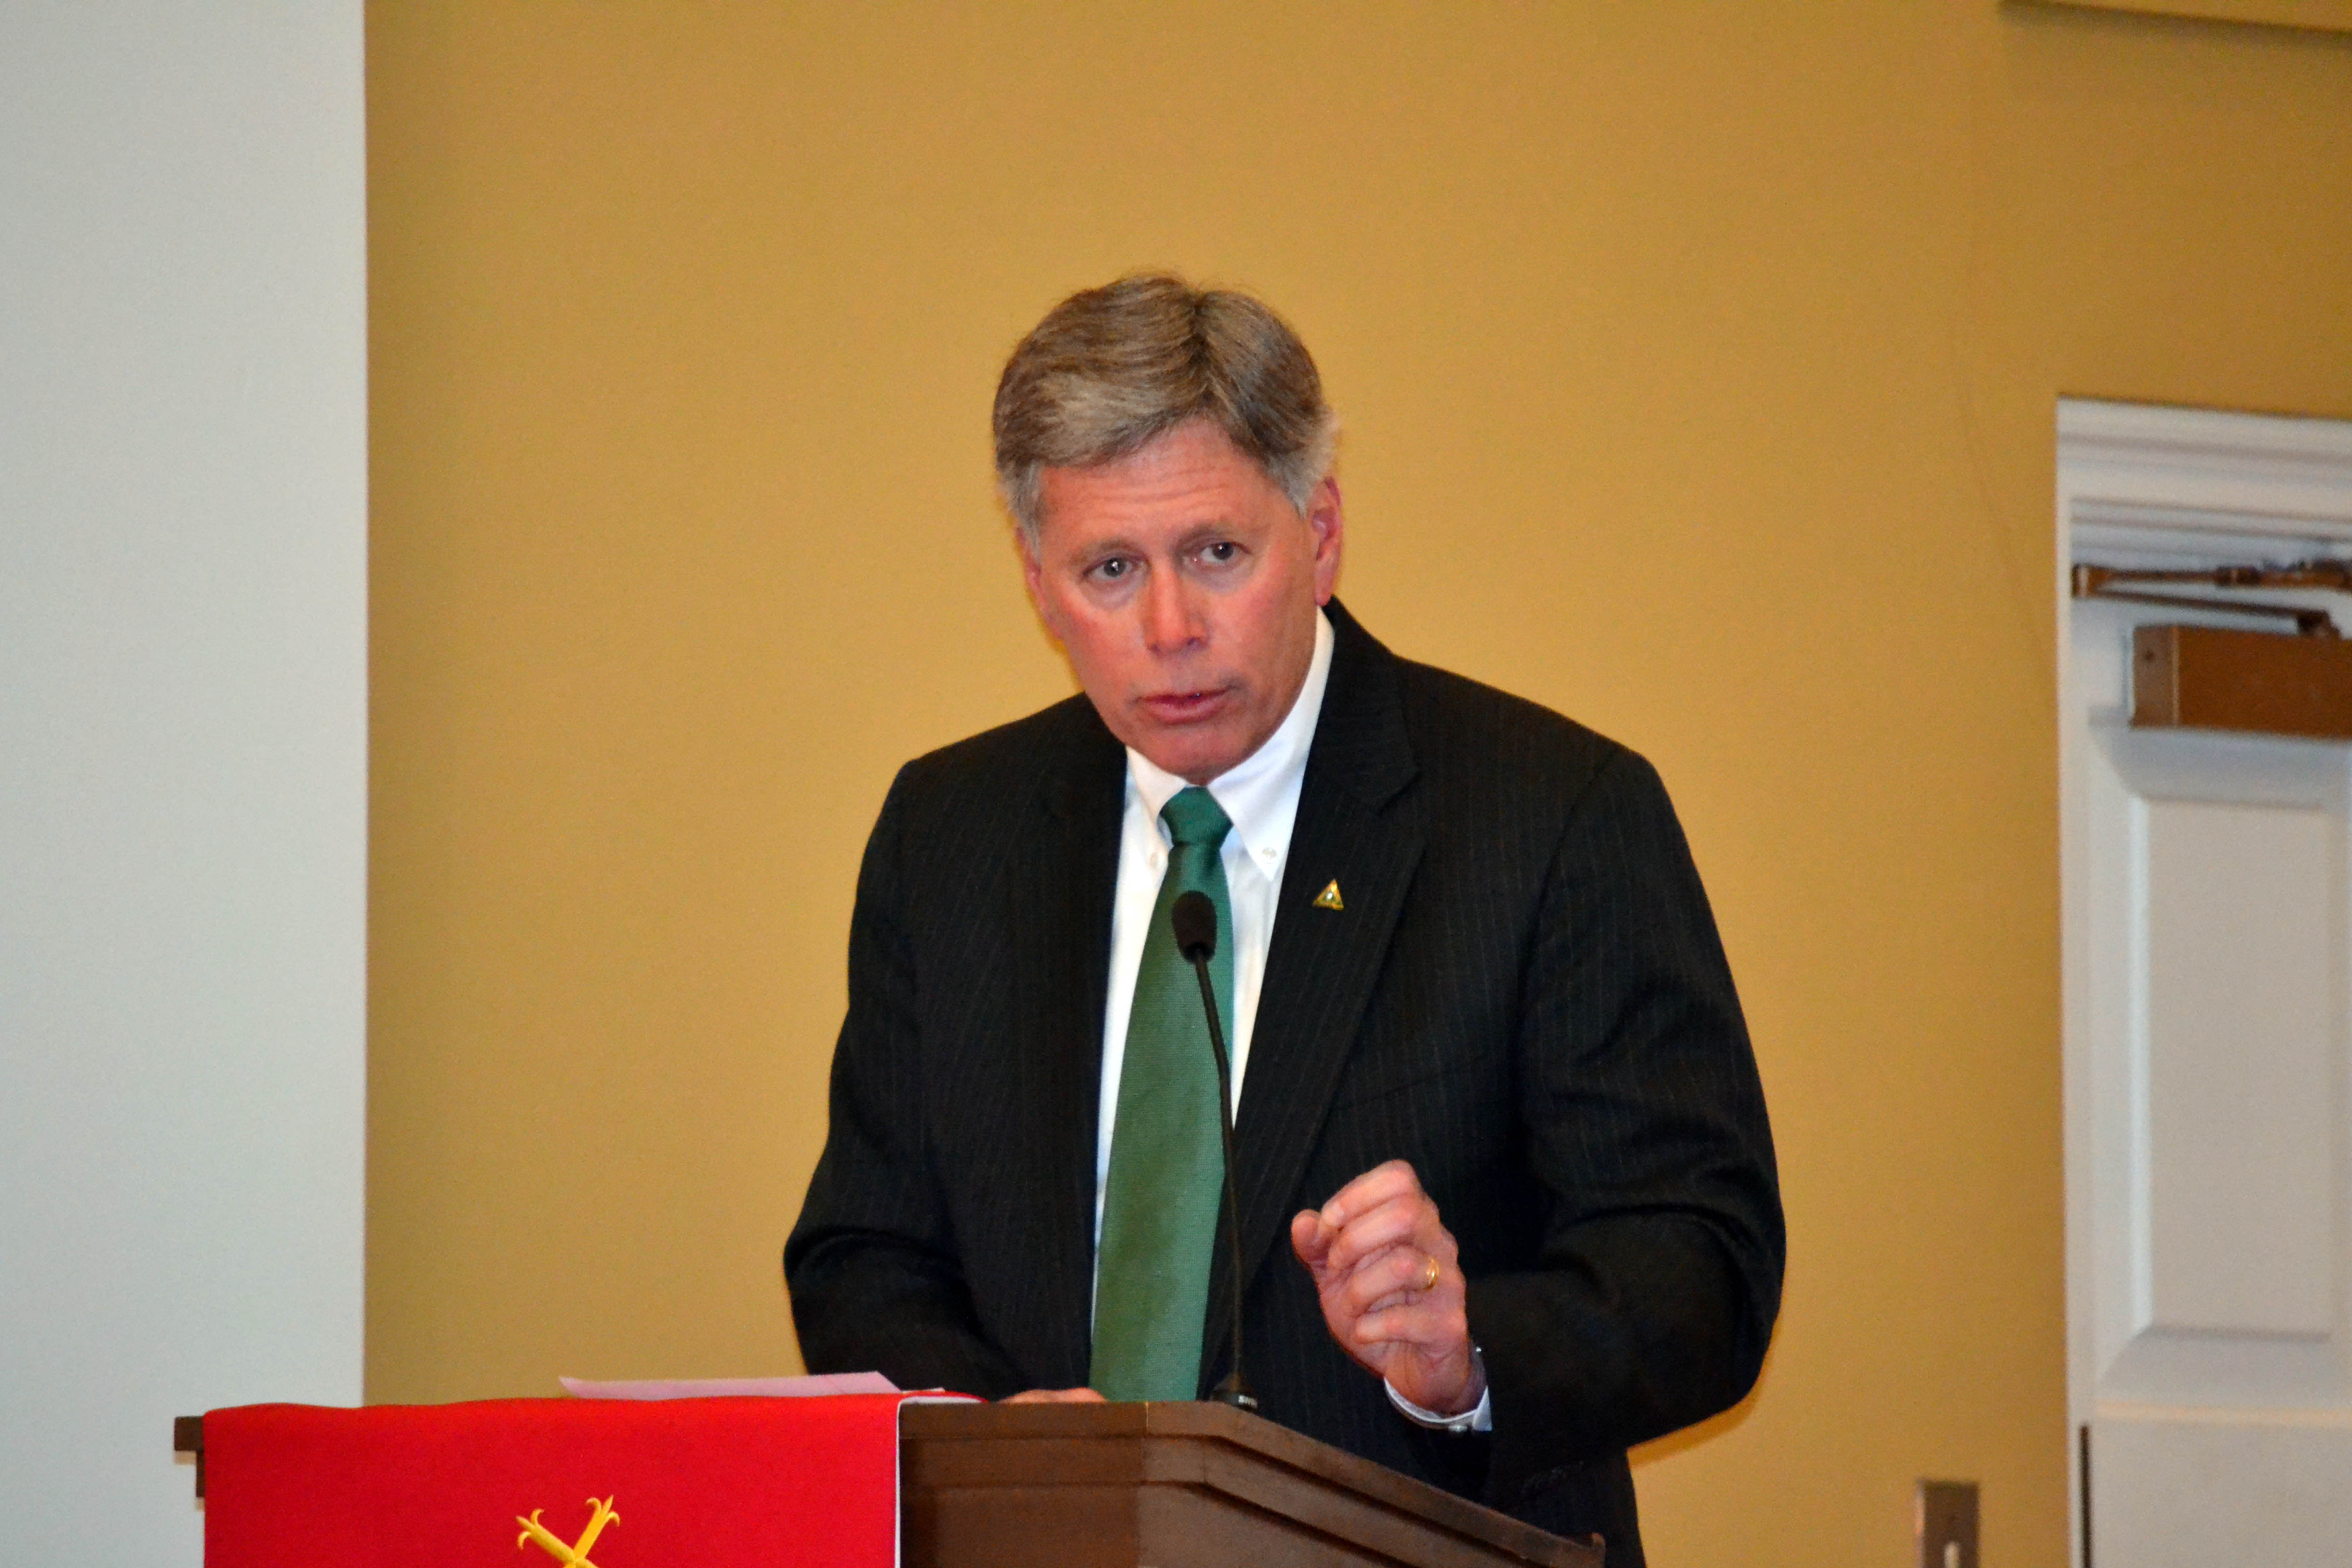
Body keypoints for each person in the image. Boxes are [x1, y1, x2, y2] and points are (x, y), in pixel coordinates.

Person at [786, 275, 1782, 1563]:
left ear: (1319, 534)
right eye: (1108, 570)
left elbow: (1701, 1264)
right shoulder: (951, 834)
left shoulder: (1552, 814)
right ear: (1037, 586)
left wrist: (1467, 1351)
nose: (1169, 629)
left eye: (1216, 553)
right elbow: (862, 1254)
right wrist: (992, 1432)